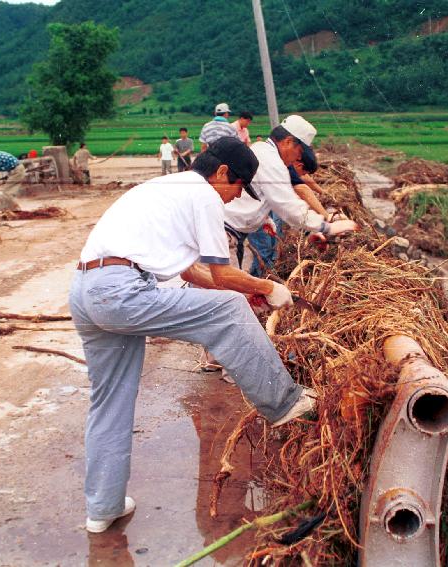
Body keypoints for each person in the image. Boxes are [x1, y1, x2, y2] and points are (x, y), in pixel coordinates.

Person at [69, 137, 315, 533]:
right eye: (237, 187)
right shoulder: (202, 195)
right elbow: (220, 273)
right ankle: (285, 403)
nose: (235, 198)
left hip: (86, 289)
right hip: (121, 290)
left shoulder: (166, 188)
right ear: (221, 173)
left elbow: (192, 273)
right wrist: (268, 288)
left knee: (109, 401)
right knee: (229, 311)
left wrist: (249, 287)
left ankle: (103, 507)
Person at [223, 115, 358, 270]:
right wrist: (328, 227)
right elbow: (288, 205)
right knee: (226, 290)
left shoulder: (261, 149)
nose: (298, 157)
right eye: (299, 152)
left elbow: (256, 194)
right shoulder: (273, 162)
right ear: (288, 142)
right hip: (227, 233)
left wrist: (265, 220)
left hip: (230, 230)